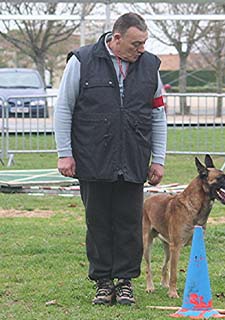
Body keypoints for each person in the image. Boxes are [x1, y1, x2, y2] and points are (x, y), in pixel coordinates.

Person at [54, 12, 167, 306]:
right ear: (116, 39)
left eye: (144, 43)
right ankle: (103, 281)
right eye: (135, 44)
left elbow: (158, 115)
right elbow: (64, 108)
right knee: (99, 222)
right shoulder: (81, 61)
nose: (141, 49)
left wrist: (159, 159)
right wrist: (64, 153)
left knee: (130, 223)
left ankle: (125, 281)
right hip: (93, 158)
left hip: (133, 157)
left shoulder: (150, 66)